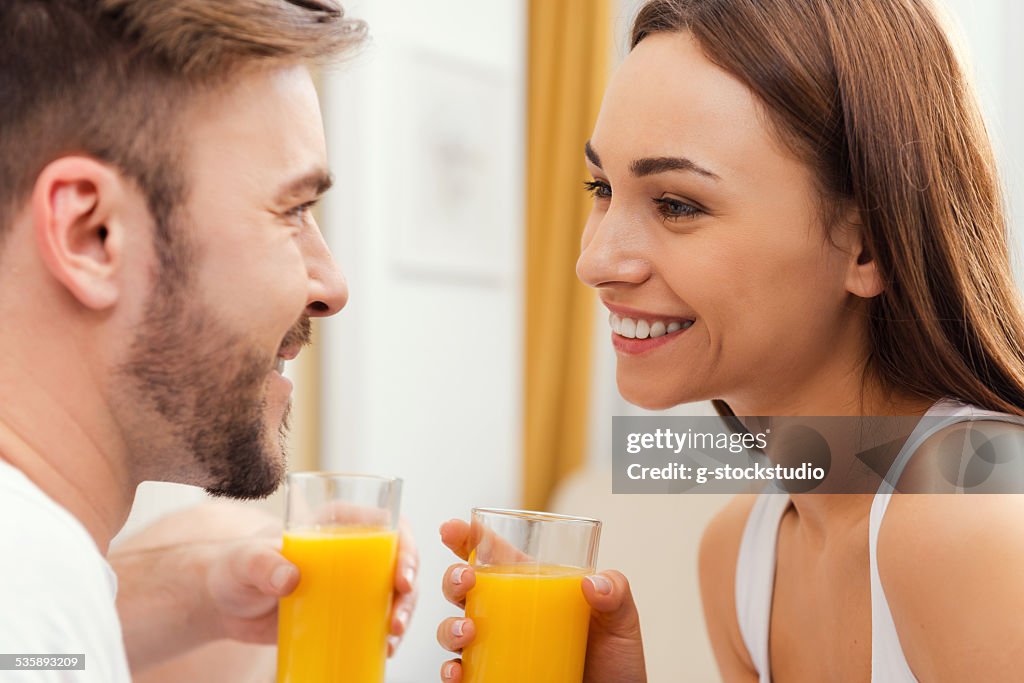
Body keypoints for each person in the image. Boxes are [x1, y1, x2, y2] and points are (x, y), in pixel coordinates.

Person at [437, 0, 1024, 680]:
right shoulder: (743, 555)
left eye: (677, 204)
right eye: (601, 187)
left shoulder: (976, 516)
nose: (595, 261)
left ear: (868, 246)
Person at [0, 1, 417, 680]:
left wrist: (189, 587)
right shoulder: (30, 585)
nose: (331, 285)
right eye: (293, 210)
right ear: (91, 234)